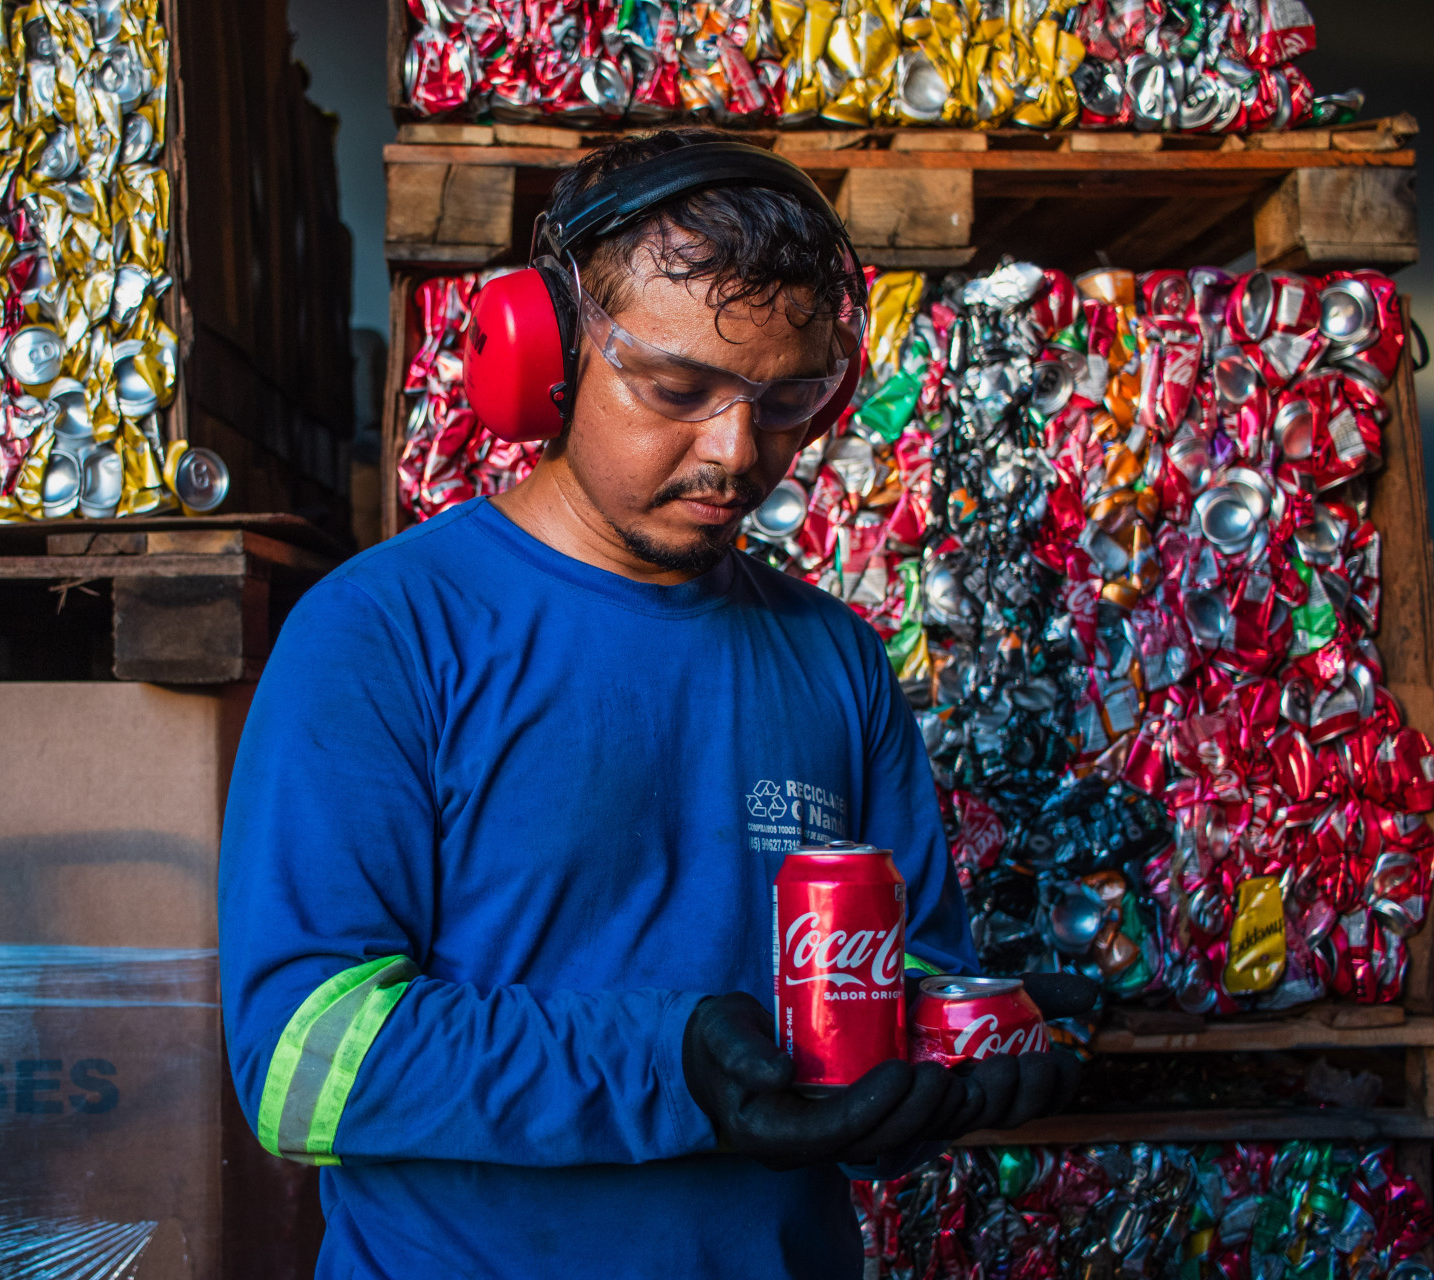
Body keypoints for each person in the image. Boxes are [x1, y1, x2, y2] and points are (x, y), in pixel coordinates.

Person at [218, 128, 1091, 1280]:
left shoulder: (835, 658)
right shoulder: (380, 633)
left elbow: (893, 984)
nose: (736, 454)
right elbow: (301, 1061)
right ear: (553, 353)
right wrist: (672, 1062)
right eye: (678, 388)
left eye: (786, 401)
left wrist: (952, 1054)